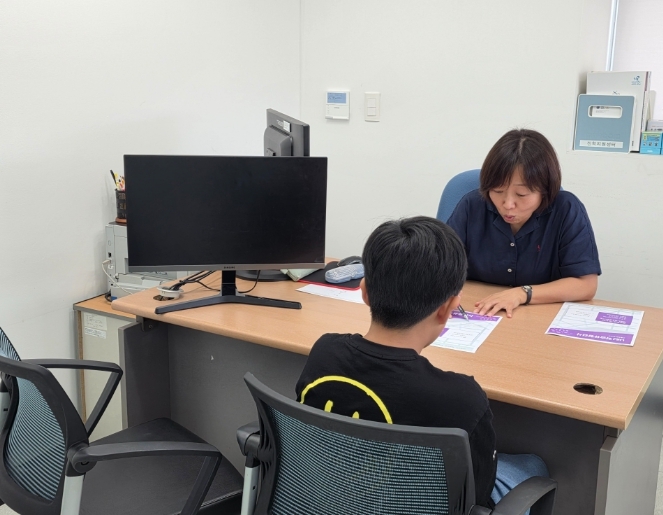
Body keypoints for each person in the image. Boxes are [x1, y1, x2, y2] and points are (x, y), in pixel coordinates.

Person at [295, 216, 547, 508]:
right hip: (409, 501)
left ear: (364, 292)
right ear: (448, 308)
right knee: (533, 466)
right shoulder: (462, 398)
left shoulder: (324, 351)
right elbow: (476, 498)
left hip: (325, 499)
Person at [447, 129, 601, 318]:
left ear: (545, 190)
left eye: (521, 194)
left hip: (538, 317)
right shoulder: (472, 205)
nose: (508, 204)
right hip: (477, 311)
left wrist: (522, 294)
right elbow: (439, 266)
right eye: (498, 191)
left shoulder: (566, 209)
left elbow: (586, 285)